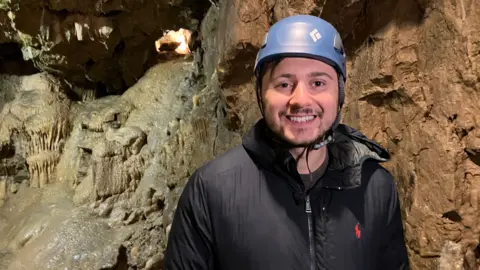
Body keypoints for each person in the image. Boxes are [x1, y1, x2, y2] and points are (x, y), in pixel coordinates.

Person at [163, 14, 410, 270]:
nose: (300, 99)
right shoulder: (212, 191)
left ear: (339, 92)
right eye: (284, 84)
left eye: (318, 83)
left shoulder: (376, 188)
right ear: (261, 93)